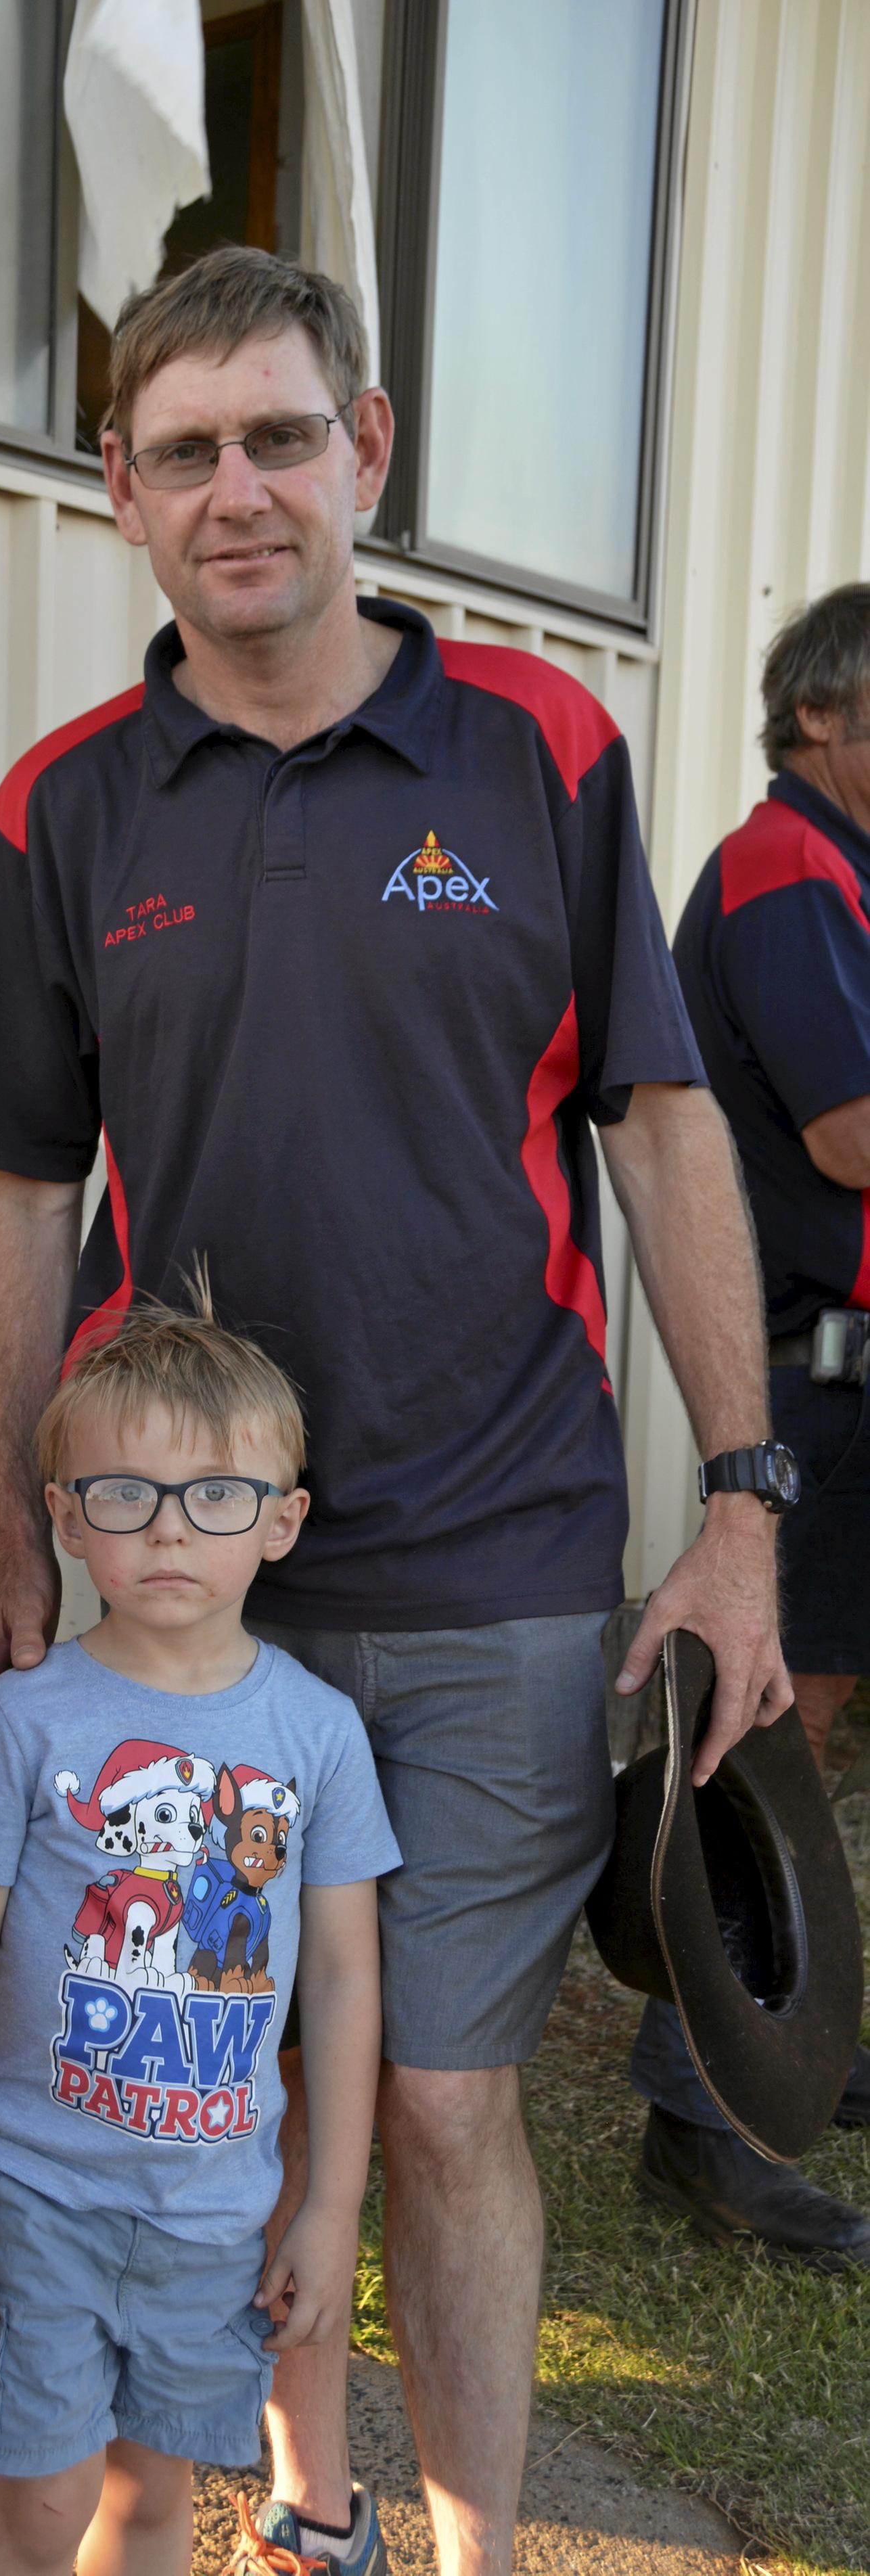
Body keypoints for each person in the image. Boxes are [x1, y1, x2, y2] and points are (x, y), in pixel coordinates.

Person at [0, 247, 788, 2576]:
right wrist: (23, 1536)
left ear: (364, 450)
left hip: (490, 1555)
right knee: (204, 2073)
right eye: (181, 448)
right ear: (115, 486)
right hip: (174, 1585)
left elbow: (662, 1126)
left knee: (432, 2085)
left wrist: (735, 1497)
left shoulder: (540, 748)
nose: (235, 489)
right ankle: (296, 2511)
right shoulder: (61, 809)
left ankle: (473, 2534)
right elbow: (12, 1191)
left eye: (277, 436)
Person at [0, 1297, 398, 2576]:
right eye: (125, 1495)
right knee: (35, 2509)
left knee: (150, 2508)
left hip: (214, 2215)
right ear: (64, 1515)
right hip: (32, 2194)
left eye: (213, 1497)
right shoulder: (22, 1723)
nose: (166, 1530)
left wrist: (328, 2207)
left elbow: (348, 1982)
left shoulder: (315, 1735)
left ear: (281, 1521)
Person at [633, 584, 870, 2261]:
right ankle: (703, 2111)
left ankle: (794, 2039)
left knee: (815, 1727)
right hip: (829, 1368)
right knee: (774, 1720)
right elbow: (853, 1133)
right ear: (820, 720)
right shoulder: (789, 865)